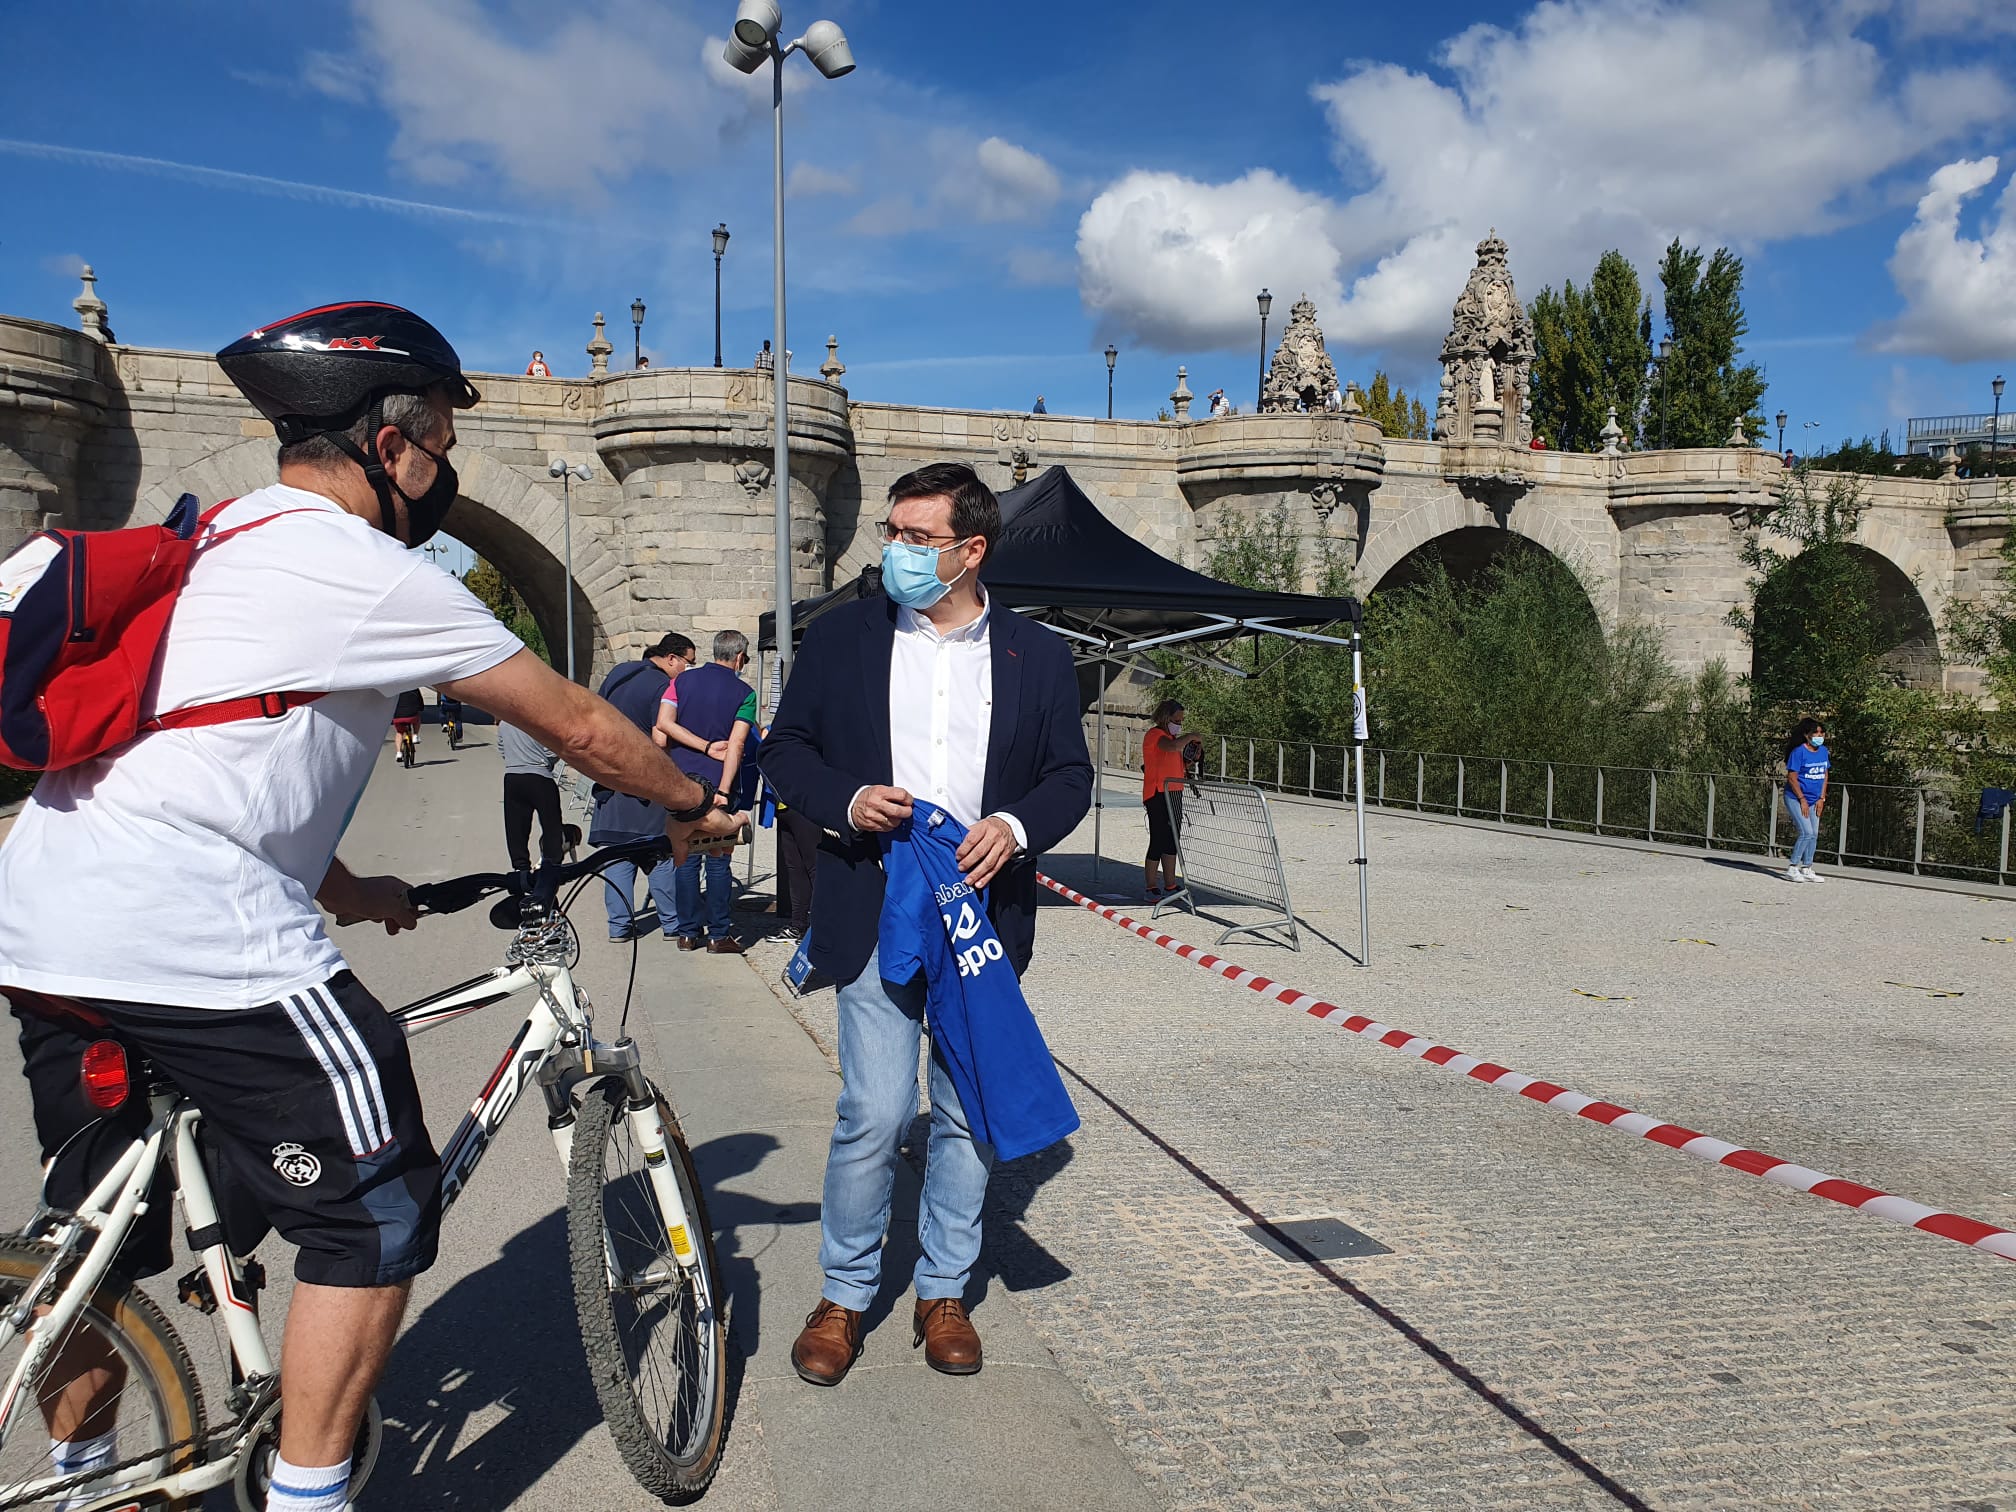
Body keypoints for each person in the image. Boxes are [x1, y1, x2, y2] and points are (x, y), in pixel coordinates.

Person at [0, 300, 732, 1512]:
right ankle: (309, 1496)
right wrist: (693, 804)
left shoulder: (212, 539)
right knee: (375, 1211)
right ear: (392, 444)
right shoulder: (368, 570)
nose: (447, 467)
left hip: (43, 923)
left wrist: (346, 884)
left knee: (96, 1234)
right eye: (442, 440)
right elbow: (580, 725)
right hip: (193, 935)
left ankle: (83, 1476)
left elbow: (217, 741)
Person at [763, 461, 1092, 1386]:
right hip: (875, 905)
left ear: (970, 549)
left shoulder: (1039, 655)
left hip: (981, 917)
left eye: (917, 538)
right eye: (892, 533)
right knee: (872, 1112)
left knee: (963, 1115)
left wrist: (1015, 827)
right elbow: (786, 750)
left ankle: (943, 1289)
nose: (895, 552)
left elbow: (1070, 775)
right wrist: (848, 798)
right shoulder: (843, 639)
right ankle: (844, 1294)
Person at [591, 633, 697, 941]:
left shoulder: (618, 673)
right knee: (659, 854)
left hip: (609, 782)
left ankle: (619, 926)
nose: (688, 670)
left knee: (617, 855)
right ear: (672, 658)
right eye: (689, 663)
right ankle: (672, 924)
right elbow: (660, 738)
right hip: (644, 784)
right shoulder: (663, 686)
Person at [666, 630, 758, 954]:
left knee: (686, 856)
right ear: (740, 657)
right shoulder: (745, 693)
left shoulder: (681, 682)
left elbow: (665, 723)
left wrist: (700, 746)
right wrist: (724, 790)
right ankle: (719, 934)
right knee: (718, 858)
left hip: (680, 782)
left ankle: (687, 933)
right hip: (718, 782)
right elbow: (737, 745)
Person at [1141, 698, 1199, 899]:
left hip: (1175, 792)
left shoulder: (1172, 739)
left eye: (1181, 721)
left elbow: (1177, 763)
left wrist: (1192, 758)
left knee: (1172, 839)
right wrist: (1190, 736)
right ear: (1166, 718)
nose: (1179, 724)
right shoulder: (1155, 736)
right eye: (1177, 720)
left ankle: (1170, 883)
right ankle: (1150, 885)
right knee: (1158, 839)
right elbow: (1171, 747)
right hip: (1157, 793)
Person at [499, 721, 565, 881]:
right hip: (540, 775)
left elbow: (501, 747)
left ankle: (520, 868)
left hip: (513, 776)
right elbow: (551, 751)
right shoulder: (537, 719)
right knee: (551, 824)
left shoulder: (504, 722)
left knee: (515, 826)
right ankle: (551, 865)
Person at [1783, 718, 1830, 884]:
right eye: (1815, 733)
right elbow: (1792, 777)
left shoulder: (1823, 751)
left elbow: (1824, 775)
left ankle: (1807, 867)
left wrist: (1822, 798)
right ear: (1807, 735)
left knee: (1814, 834)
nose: (1819, 736)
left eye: (1821, 733)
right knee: (1806, 832)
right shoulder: (1799, 752)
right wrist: (1801, 799)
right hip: (1796, 798)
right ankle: (1792, 867)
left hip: (1814, 799)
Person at [392, 687, 423, 763]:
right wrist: (421, 708)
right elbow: (420, 701)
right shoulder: (414, 688)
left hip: (398, 716)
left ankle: (399, 753)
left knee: (399, 732)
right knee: (417, 719)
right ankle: (415, 735)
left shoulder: (395, 690)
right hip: (411, 714)